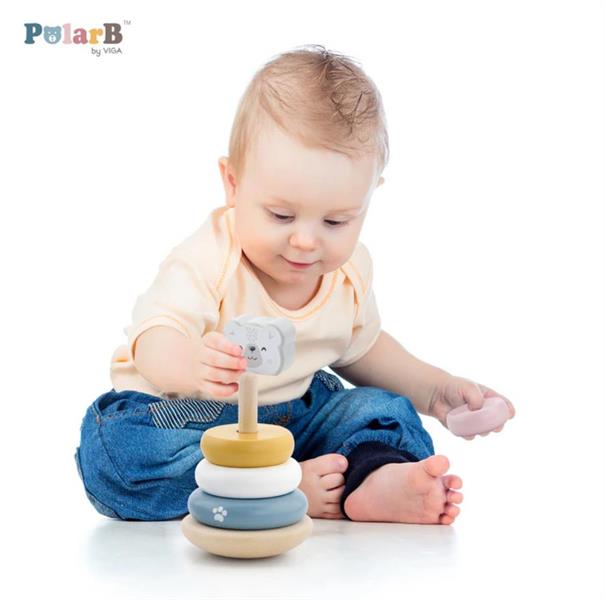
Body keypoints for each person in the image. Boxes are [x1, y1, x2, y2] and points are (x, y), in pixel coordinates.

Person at [74, 44, 515, 523]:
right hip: (194, 421)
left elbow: (363, 350)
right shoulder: (209, 257)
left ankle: (371, 477)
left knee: (381, 410)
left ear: (368, 198)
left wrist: (436, 391)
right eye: (281, 215)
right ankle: (271, 484)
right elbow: (152, 340)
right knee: (117, 447)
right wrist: (192, 365)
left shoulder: (349, 273)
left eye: (336, 221)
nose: (306, 241)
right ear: (233, 183)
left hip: (294, 420)